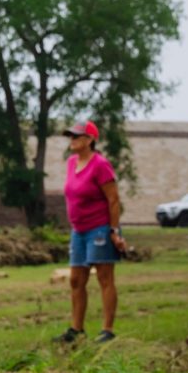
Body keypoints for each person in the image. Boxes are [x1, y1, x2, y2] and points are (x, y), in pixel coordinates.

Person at [56, 121, 128, 344]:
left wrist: (114, 231)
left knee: (105, 278)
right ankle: (76, 329)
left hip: (99, 229)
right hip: (78, 231)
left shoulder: (100, 165)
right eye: (70, 136)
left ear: (89, 140)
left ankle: (108, 330)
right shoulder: (71, 163)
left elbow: (113, 200)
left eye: (77, 136)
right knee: (76, 280)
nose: (72, 140)